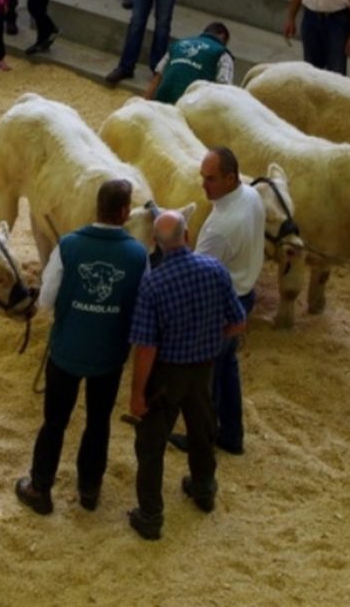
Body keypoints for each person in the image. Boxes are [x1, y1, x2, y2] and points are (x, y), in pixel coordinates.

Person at [15, 180, 147, 516]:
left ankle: (40, 487)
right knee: (98, 422)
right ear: (123, 212)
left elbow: (45, 300)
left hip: (66, 353)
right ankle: (89, 489)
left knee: (55, 422)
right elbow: (141, 306)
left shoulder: (69, 245)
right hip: (109, 356)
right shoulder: (137, 254)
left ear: (97, 209)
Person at [127, 209, 245, 540]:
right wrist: (211, 341)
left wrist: (137, 393)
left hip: (166, 375)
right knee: (202, 429)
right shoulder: (215, 270)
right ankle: (204, 489)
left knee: (151, 443)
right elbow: (238, 322)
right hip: (203, 368)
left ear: (156, 244)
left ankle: (150, 515)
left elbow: (146, 347)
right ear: (188, 235)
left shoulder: (153, 283)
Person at [173, 146, 265, 456]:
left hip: (220, 305)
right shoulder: (251, 195)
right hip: (244, 293)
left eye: (210, 179)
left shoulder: (220, 228)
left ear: (230, 177)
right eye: (202, 177)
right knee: (227, 367)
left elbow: (197, 276)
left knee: (204, 377)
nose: (203, 185)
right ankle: (232, 434)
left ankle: (202, 436)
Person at [144, 21, 233, 104]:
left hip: (163, 100)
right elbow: (223, 90)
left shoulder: (178, 44)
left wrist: (143, 104)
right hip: (191, 105)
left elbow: (157, 77)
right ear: (222, 36)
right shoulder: (223, 54)